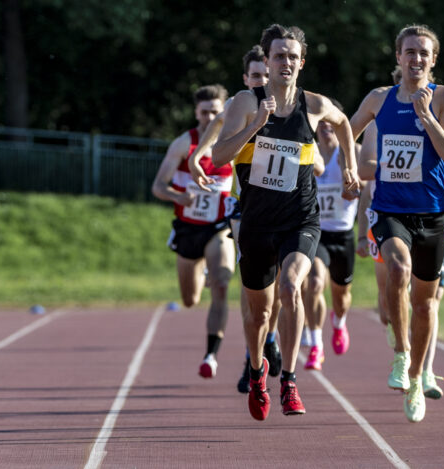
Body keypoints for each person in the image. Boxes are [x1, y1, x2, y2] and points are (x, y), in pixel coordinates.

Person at [212, 24, 360, 421]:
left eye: (293, 57)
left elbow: (344, 123)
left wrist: (349, 167)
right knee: (258, 314)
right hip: (258, 224)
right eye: (279, 56)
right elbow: (219, 158)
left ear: (302, 62)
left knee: (292, 286)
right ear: (267, 59)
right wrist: (255, 126)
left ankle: (290, 381)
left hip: (301, 219)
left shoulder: (313, 105)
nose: (286, 63)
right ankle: (258, 371)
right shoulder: (245, 102)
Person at [350, 24, 444, 422]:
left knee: (425, 302)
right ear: (398, 57)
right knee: (397, 267)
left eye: (423, 53)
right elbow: (349, 130)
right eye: (409, 51)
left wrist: (426, 118)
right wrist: (349, 167)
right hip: (389, 210)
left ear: (433, 60)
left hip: (431, 212)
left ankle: (416, 379)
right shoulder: (380, 99)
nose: (416, 58)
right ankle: (401, 354)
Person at [188, 45, 284, 394]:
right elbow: (214, 126)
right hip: (246, 206)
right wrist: (198, 155)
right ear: (246, 79)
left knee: (282, 287)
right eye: (255, 76)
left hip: (284, 207)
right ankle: (251, 359)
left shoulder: (288, 103)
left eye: (266, 74)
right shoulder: (241, 104)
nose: (262, 81)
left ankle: (270, 337)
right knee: (252, 286)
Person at [151, 84, 234, 381]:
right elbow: (158, 186)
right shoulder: (183, 144)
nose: (210, 116)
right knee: (189, 300)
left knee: (223, 282)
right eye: (204, 112)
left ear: (224, 111)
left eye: (215, 111)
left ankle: (211, 354)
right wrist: (178, 196)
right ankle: (200, 272)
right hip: (188, 229)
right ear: (196, 112)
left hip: (219, 227)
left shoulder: (232, 144)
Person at [302, 99, 361, 371]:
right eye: (321, 122)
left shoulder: (352, 154)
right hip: (317, 233)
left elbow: (369, 190)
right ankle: (316, 345)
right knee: (314, 283)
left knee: (341, 295)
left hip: (344, 234)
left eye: (331, 122)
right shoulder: (308, 153)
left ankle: (339, 324)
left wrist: (366, 231)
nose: (326, 127)